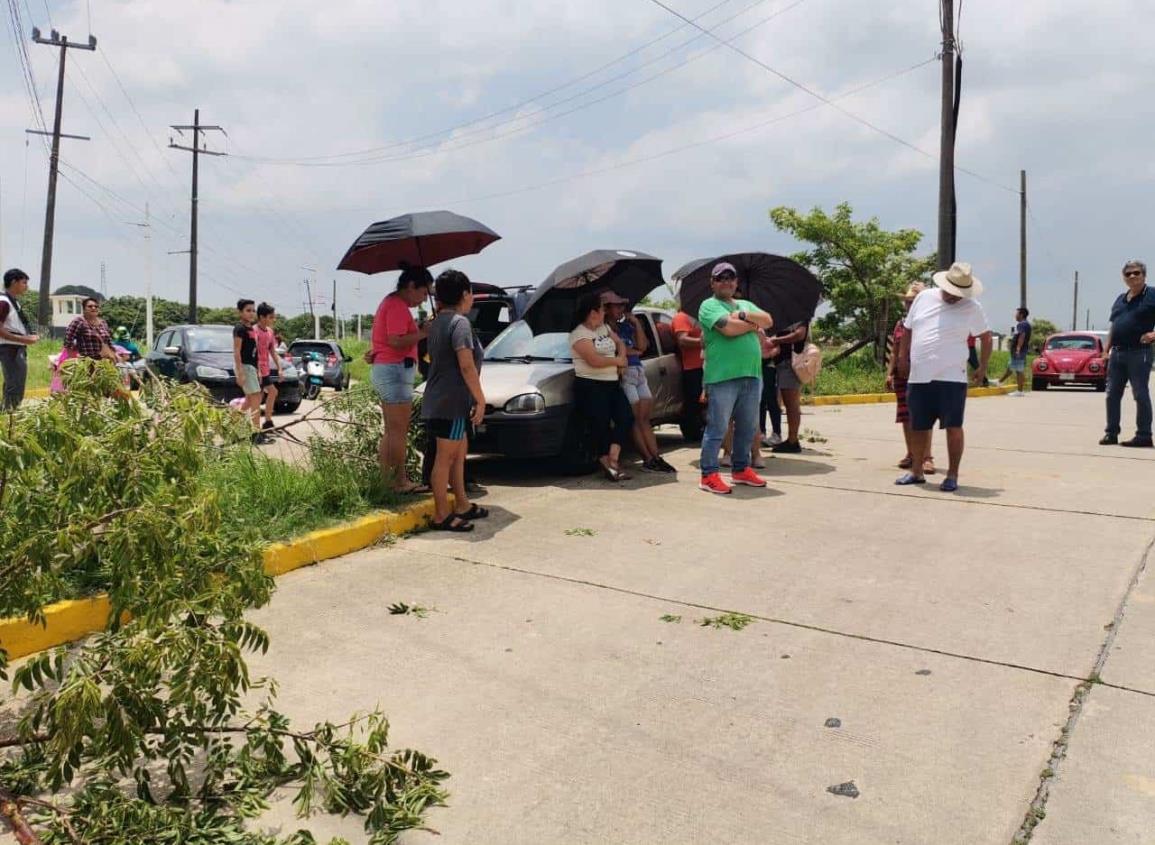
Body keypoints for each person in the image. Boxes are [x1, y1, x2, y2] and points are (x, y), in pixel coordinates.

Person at [895, 262, 992, 492]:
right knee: (918, 425)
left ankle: (952, 475)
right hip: (919, 376)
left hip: (952, 378)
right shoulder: (923, 298)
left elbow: (986, 338)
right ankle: (916, 471)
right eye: (951, 292)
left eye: (960, 294)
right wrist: (902, 358)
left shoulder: (972, 307)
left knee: (953, 426)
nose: (954, 297)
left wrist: (983, 367)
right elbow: (908, 329)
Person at [697, 262, 773, 495]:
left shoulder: (744, 304)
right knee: (718, 427)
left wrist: (742, 315)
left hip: (752, 375)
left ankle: (741, 469)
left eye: (731, 278)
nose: (726, 282)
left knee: (748, 427)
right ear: (713, 282)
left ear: (736, 282)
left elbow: (768, 320)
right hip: (722, 377)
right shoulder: (708, 305)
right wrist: (753, 326)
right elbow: (727, 329)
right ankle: (708, 474)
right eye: (721, 278)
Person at [421, 269, 487, 532]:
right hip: (449, 403)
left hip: (443, 400)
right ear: (464, 294)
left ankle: (461, 504)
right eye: (470, 291)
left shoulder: (437, 322)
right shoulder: (459, 324)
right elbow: (467, 366)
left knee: (458, 455)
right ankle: (441, 514)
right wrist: (480, 399)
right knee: (445, 458)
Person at [367, 265, 431, 492]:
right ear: (411, 286)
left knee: (392, 430)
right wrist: (423, 333)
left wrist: (418, 331)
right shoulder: (396, 305)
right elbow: (395, 341)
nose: (423, 300)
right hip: (394, 369)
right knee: (398, 430)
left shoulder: (393, 303)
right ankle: (399, 481)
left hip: (390, 369)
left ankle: (387, 481)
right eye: (424, 293)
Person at [604, 292, 674, 473]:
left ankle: (655, 456)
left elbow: (642, 347)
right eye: (617, 306)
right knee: (635, 418)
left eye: (623, 306)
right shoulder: (605, 329)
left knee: (645, 418)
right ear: (607, 308)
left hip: (638, 371)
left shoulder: (625, 327)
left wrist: (635, 323)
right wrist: (630, 351)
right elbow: (622, 351)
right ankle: (647, 458)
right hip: (625, 373)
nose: (621, 309)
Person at [569, 291, 634, 482]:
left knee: (626, 417)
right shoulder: (579, 334)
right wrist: (618, 362)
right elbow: (594, 360)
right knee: (600, 424)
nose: (604, 313)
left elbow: (619, 343)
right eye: (602, 309)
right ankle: (608, 463)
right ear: (592, 312)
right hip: (591, 385)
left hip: (611, 383)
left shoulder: (604, 328)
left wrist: (621, 357)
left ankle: (614, 457)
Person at [1101, 260, 1155, 448]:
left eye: (1136, 273)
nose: (1132, 276)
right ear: (1124, 278)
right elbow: (1114, 326)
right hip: (1117, 354)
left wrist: (1153, 334)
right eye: (1128, 274)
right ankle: (1111, 433)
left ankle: (1144, 435)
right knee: (1111, 394)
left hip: (1140, 353)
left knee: (1140, 394)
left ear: (1144, 275)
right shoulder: (1120, 299)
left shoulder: (1152, 295)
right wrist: (1106, 350)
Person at [886, 283, 936, 475]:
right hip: (902, 375)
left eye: (912, 301)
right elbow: (894, 351)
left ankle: (926, 457)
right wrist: (890, 372)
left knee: (923, 417)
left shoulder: (929, 322)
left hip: (922, 375)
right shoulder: (901, 323)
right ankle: (911, 453)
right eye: (907, 302)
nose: (908, 305)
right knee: (906, 416)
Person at [0, 269, 40, 410]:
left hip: (15, 348)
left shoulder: (13, 302)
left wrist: (26, 338)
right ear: (13, 282)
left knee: (14, 385)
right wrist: (24, 339)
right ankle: (10, 419)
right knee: (15, 386)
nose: (26, 286)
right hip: (10, 348)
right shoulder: (4, 302)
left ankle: (7, 417)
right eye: (24, 282)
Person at [770, 320, 809, 454]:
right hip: (784, 363)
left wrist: (777, 340)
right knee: (790, 403)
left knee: (791, 404)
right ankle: (792, 439)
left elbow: (799, 335)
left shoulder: (800, 317)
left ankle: (792, 441)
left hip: (790, 364)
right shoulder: (787, 316)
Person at [232, 299, 266, 444]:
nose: (251, 313)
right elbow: (237, 351)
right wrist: (240, 372)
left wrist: (258, 370)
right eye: (248, 310)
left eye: (253, 310)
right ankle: (256, 432)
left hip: (252, 367)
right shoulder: (239, 329)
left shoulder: (252, 329)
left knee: (249, 400)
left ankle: (233, 426)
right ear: (240, 312)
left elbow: (255, 351)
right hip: (244, 367)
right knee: (256, 399)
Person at [671, 306, 705, 441]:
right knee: (694, 403)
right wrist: (705, 342)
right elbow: (683, 340)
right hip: (693, 368)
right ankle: (692, 433)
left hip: (706, 366)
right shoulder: (682, 317)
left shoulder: (700, 318)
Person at [255, 303, 283, 430]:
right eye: (271, 317)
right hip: (256, 370)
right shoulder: (254, 331)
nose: (273, 320)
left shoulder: (270, 332)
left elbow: (272, 351)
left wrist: (280, 368)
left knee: (272, 392)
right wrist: (258, 371)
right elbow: (253, 353)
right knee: (256, 398)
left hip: (265, 370)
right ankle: (252, 425)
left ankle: (268, 421)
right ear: (262, 317)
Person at [64, 297, 118, 364]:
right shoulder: (78, 321)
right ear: (84, 309)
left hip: (104, 362)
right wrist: (74, 359)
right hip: (86, 362)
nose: (93, 308)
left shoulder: (103, 323)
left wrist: (114, 354)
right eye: (90, 306)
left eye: (96, 306)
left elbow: (109, 341)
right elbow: (68, 341)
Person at [998, 307, 1032, 395]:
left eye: (1016, 314)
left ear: (1021, 315)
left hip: (1019, 351)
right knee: (1011, 367)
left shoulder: (1022, 324)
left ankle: (1020, 391)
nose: (1015, 316)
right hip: (1019, 351)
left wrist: (1018, 349)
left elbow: (1022, 336)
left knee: (1018, 370)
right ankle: (999, 382)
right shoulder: (1025, 324)